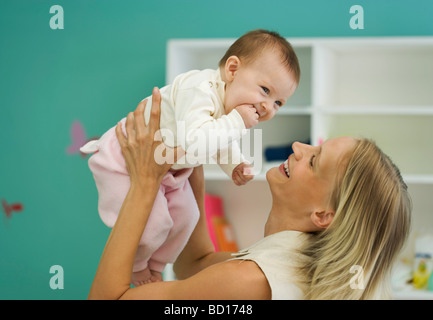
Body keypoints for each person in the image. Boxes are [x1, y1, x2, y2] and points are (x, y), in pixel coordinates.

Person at [88, 88, 412, 300]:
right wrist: (195, 152)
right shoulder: (294, 268)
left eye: (314, 162)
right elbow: (196, 264)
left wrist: (145, 183)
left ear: (324, 215)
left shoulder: (248, 282)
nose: (299, 147)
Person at [81, 29, 300, 286]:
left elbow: (216, 139)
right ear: (232, 69)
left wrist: (234, 165)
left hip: (167, 170)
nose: (267, 107)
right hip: (126, 159)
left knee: (188, 216)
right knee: (155, 223)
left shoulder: (226, 108)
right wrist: (237, 121)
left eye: (278, 103)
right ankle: (137, 266)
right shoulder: (198, 90)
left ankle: (156, 263)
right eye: (265, 90)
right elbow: (197, 140)